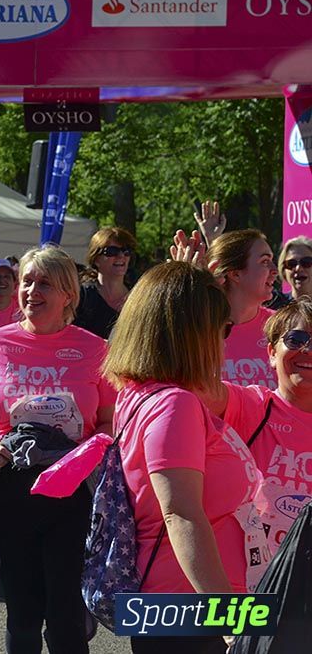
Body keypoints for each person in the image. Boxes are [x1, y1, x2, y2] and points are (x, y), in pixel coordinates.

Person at [0, 246, 115, 654]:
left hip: (72, 490)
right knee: (23, 614)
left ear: (68, 294)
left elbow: (111, 420)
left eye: (45, 283)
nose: (31, 290)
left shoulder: (96, 349)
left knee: (65, 616)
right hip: (12, 486)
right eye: (27, 281)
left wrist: (85, 452)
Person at [103, 257, 260, 654]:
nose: (226, 339)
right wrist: (231, 620)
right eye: (222, 328)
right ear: (193, 333)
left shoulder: (140, 394)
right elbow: (181, 514)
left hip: (173, 604)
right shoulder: (175, 404)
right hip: (192, 609)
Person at [205, 297, 312, 564]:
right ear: (272, 354)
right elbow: (194, 384)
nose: (307, 350)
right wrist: (190, 301)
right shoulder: (250, 406)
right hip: (253, 582)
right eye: (296, 339)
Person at [208, 229, 279, 388]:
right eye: (264, 261)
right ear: (235, 274)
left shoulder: (282, 327)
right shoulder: (198, 330)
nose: (275, 270)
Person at [74, 227, 136, 339]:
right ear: (96, 259)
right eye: (112, 251)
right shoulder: (81, 297)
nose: (121, 256)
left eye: (126, 251)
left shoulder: (138, 297)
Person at [278, 236, 312, 301]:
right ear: (284, 271)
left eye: (306, 262)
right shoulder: (275, 307)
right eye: (291, 264)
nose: (298, 268)